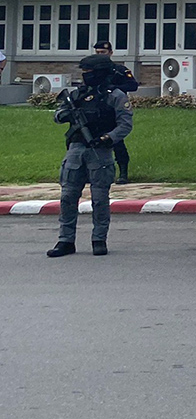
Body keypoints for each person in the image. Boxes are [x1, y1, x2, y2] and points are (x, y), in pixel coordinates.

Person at [47, 54, 133, 258]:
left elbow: (125, 124)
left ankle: (99, 239)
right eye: (84, 73)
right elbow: (58, 115)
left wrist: (107, 138)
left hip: (100, 152)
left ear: (100, 73)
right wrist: (64, 115)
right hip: (76, 150)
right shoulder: (77, 94)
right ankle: (66, 240)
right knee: (68, 197)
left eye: (89, 73)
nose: (85, 76)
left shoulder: (116, 95)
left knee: (100, 199)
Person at [93, 40, 138, 183]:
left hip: (114, 107)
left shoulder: (119, 70)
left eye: (103, 52)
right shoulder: (93, 70)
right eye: (98, 52)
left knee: (117, 141)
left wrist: (115, 87)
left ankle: (123, 173)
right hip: (97, 108)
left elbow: (133, 85)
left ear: (110, 53)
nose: (100, 55)